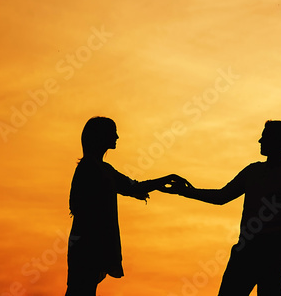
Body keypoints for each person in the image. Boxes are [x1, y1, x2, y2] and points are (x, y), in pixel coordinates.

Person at [166, 120, 281, 296]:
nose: (260, 141)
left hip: (272, 255)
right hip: (246, 252)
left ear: (277, 141)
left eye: (264, 137)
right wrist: (186, 191)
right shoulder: (253, 172)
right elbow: (222, 196)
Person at [65, 116, 190, 296]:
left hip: (94, 244)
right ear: (100, 136)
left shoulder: (104, 169)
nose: (117, 136)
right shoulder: (89, 168)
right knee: (80, 290)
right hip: (86, 244)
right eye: (112, 132)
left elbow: (134, 187)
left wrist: (165, 179)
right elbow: (77, 206)